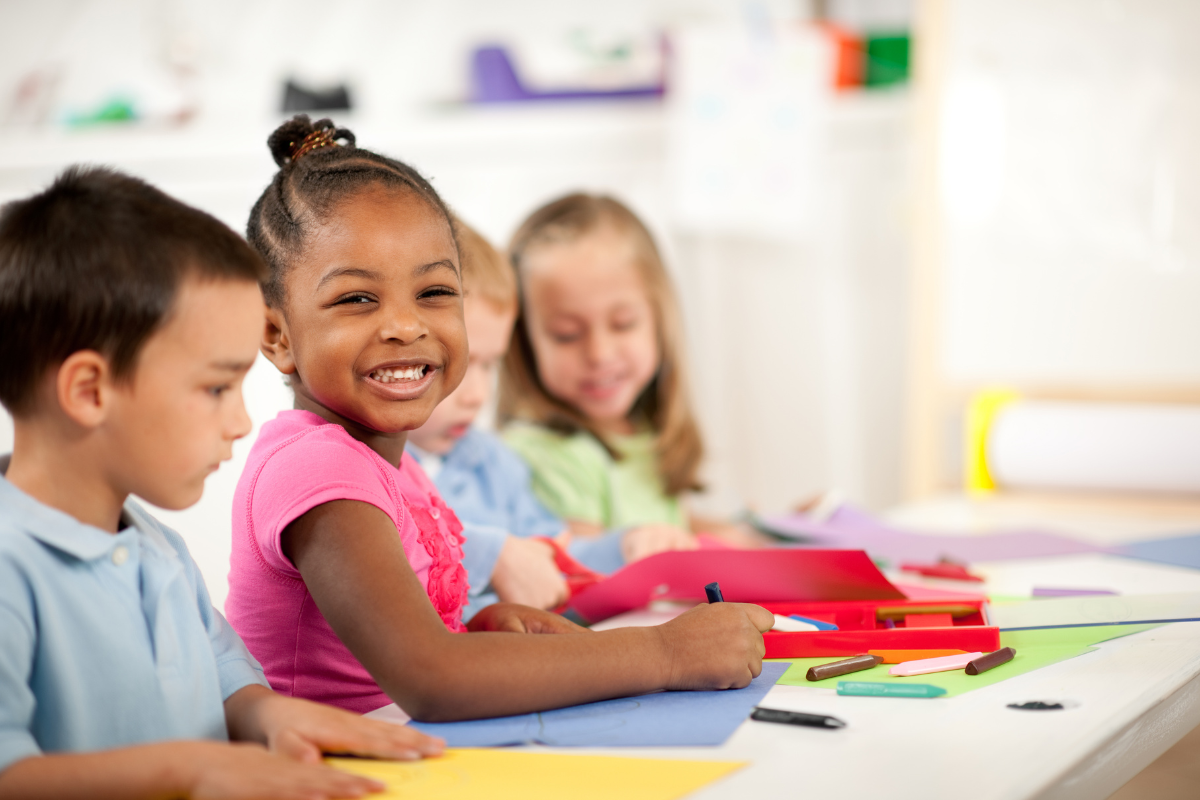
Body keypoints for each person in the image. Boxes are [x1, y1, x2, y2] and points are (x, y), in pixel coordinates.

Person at [225, 115, 772, 722]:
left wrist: (480, 631)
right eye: (357, 298)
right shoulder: (316, 468)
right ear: (276, 334)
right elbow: (431, 679)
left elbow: (417, 653)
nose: (407, 325)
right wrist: (666, 653)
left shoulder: (388, 463)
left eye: (434, 292)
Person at [0, 168, 442, 800]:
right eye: (214, 389)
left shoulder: (155, 546)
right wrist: (191, 771)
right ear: (89, 391)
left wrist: (271, 716)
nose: (239, 423)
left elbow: (227, 675)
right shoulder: (9, 569)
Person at [405, 221, 695, 620]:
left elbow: (555, 550)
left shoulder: (493, 462)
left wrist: (627, 546)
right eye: (452, 365)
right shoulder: (371, 469)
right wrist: (493, 555)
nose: (476, 395)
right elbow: (390, 553)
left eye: (489, 366)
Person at [500, 193, 761, 545]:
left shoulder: (640, 432)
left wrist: (752, 531)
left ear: (658, 319)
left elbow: (670, 521)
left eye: (623, 324)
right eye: (567, 335)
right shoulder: (545, 454)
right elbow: (587, 574)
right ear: (525, 342)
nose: (599, 353)